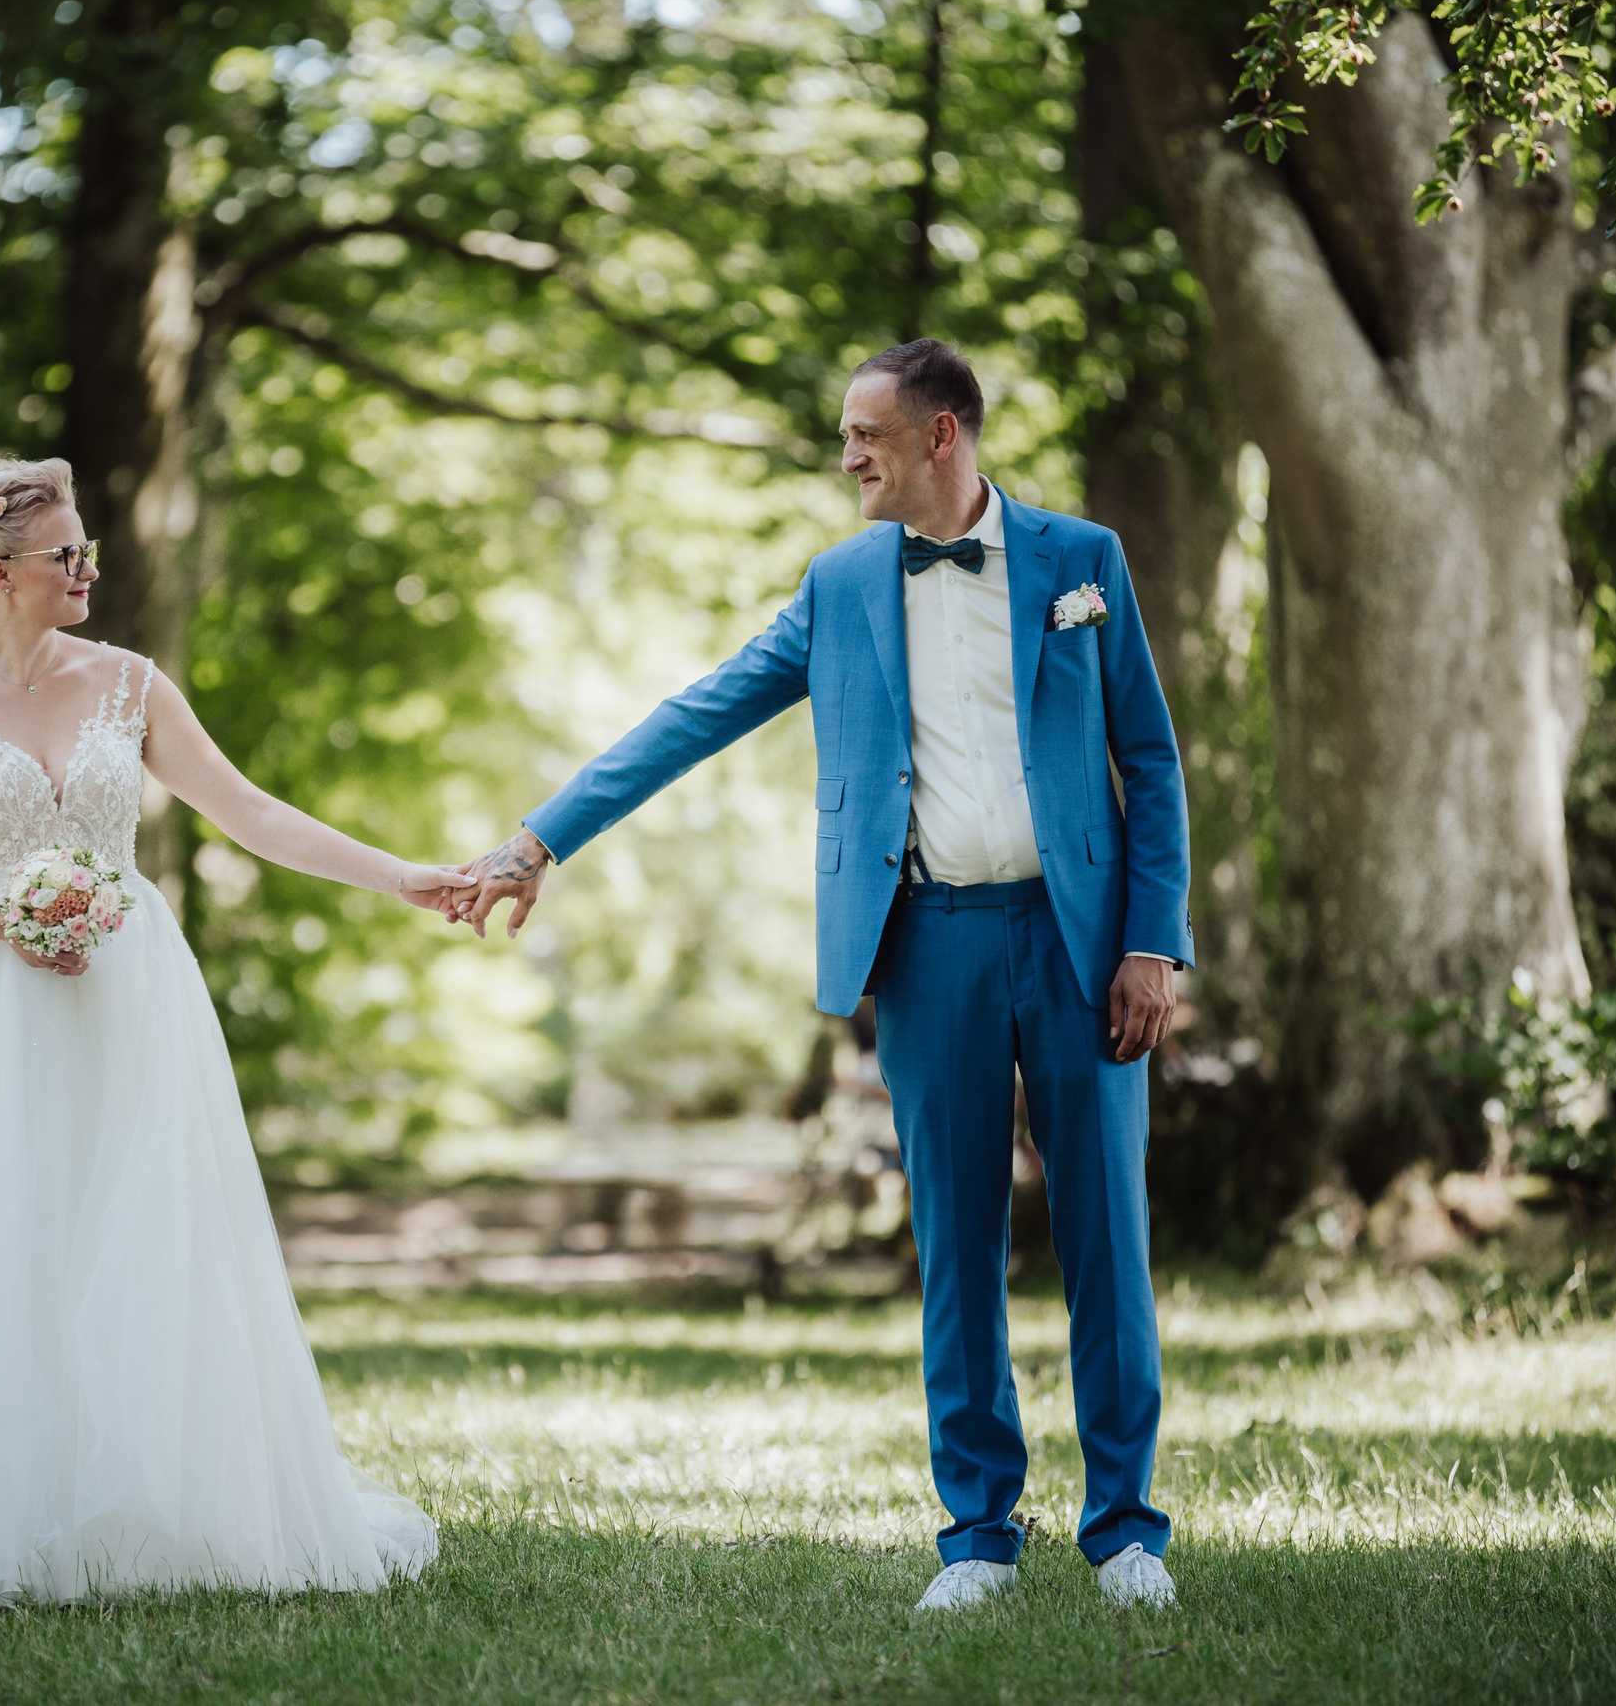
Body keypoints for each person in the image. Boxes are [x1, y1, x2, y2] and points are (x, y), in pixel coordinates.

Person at [454, 340, 1191, 1611]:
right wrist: (536, 839)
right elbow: (697, 711)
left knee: (1105, 1244)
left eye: (867, 433)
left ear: (943, 434)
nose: (847, 454)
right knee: (953, 1247)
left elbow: (1153, 761)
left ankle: (1125, 1532)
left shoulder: (1083, 561)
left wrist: (1150, 939)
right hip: (928, 947)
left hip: (1081, 945)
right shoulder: (841, 584)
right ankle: (976, 1537)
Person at [0, 457, 459, 1605]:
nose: (87, 569)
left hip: (128, 998)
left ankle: (145, 1510)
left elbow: (253, 811)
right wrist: (10, 920)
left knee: (133, 1238)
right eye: (64, 555)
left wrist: (406, 878)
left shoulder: (130, 684)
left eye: (87, 551)